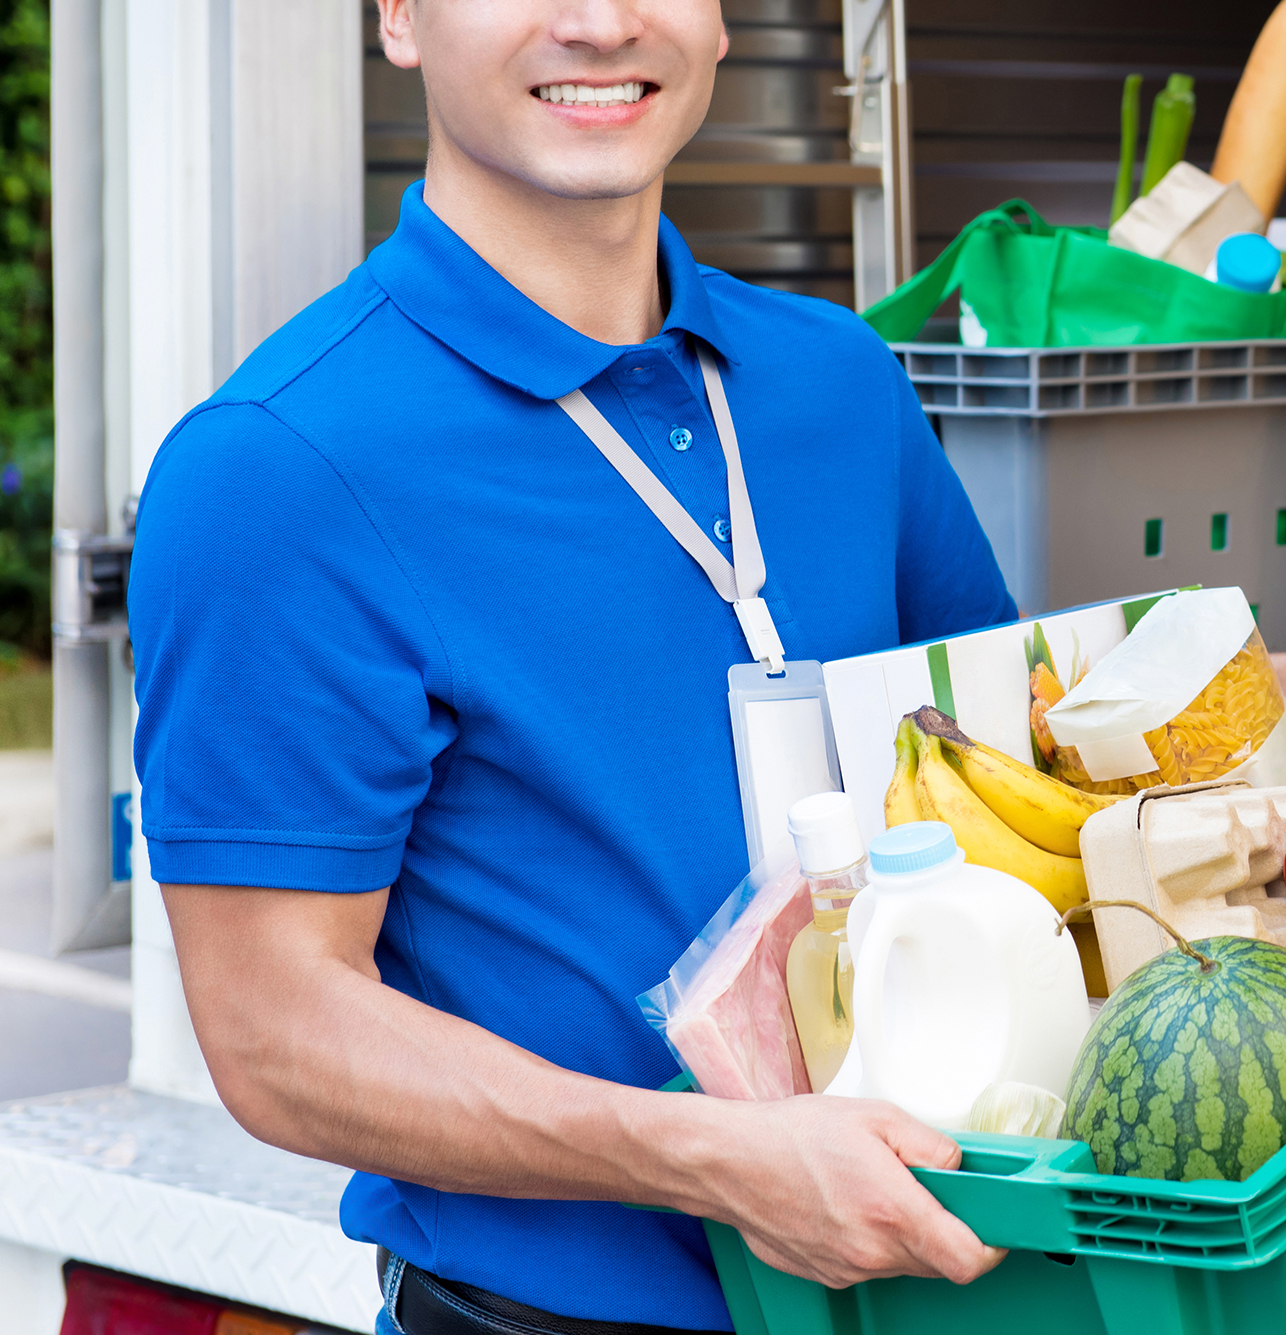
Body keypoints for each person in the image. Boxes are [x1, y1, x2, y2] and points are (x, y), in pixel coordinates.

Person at [125, 2, 1015, 1332]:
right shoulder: (279, 466)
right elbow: (277, 1038)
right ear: (399, 19)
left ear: (720, 26)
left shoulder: (841, 383)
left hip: (938, 1284)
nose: (600, 24)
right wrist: (713, 1163)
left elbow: (1002, 766)